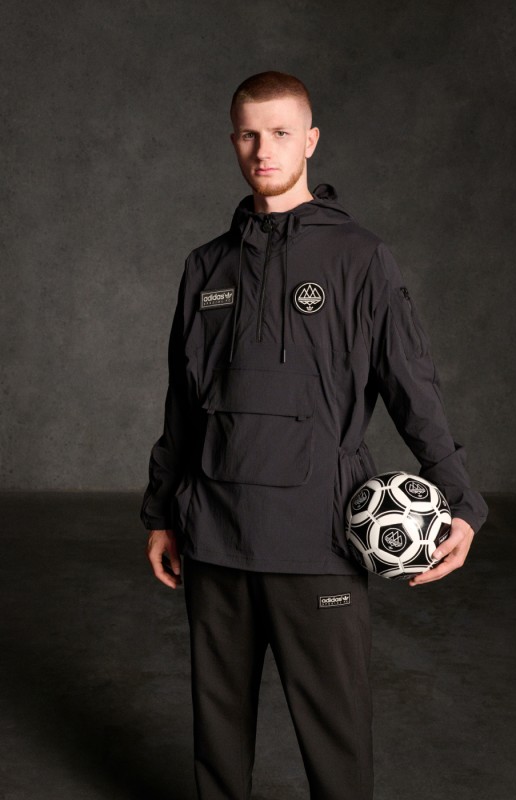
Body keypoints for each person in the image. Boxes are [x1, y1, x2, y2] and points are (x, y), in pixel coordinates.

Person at [141, 71, 488, 800]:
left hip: (318, 537)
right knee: (218, 740)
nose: (263, 150)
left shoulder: (360, 258)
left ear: (311, 141)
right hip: (215, 535)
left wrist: (460, 499)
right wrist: (162, 510)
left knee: (336, 742)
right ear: (233, 140)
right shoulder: (205, 266)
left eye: (280, 133)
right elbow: (184, 402)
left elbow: (412, 387)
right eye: (248, 134)